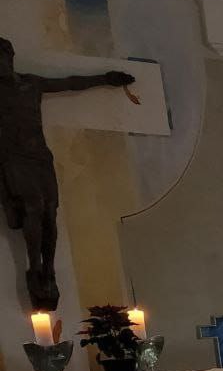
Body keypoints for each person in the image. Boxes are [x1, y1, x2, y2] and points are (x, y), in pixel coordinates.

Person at [0, 37, 135, 311]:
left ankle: (49, 270)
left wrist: (106, 78)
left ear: (10, 57)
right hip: (13, 159)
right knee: (33, 207)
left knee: (51, 212)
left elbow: (71, 82)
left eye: (4, 57)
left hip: (40, 157)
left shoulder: (31, 83)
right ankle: (35, 267)